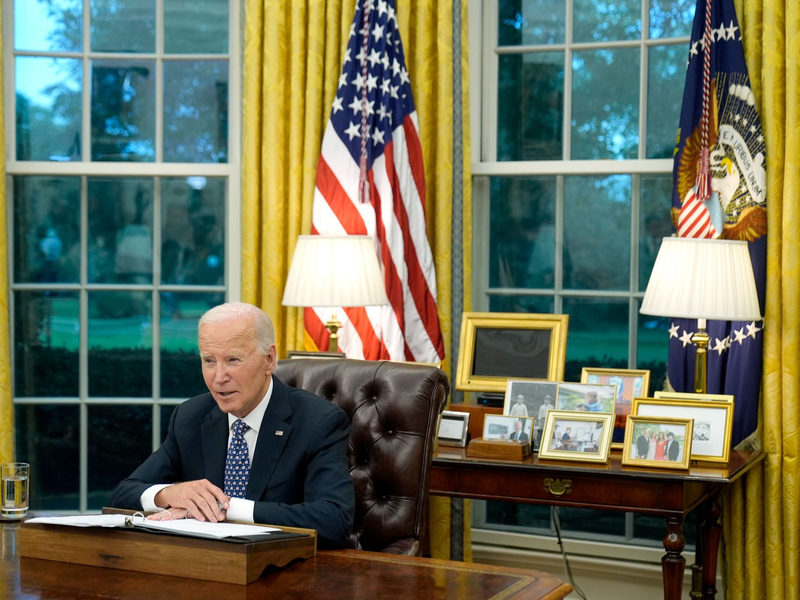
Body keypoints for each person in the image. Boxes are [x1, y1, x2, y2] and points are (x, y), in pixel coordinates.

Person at [108, 303, 355, 549]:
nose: (219, 377)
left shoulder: (318, 422)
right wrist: (168, 495)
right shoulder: (191, 416)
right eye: (209, 361)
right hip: (205, 566)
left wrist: (223, 507)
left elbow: (334, 521)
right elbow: (123, 493)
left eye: (233, 359)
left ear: (269, 360)